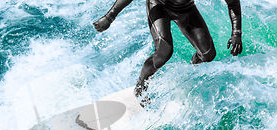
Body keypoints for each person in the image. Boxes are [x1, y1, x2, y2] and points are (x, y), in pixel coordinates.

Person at [93, 0, 243, 107]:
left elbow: (233, 3)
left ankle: (191, 71)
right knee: (164, 51)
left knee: (208, 54)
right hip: (159, 6)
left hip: (186, 9)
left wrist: (236, 33)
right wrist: (109, 16)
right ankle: (141, 86)